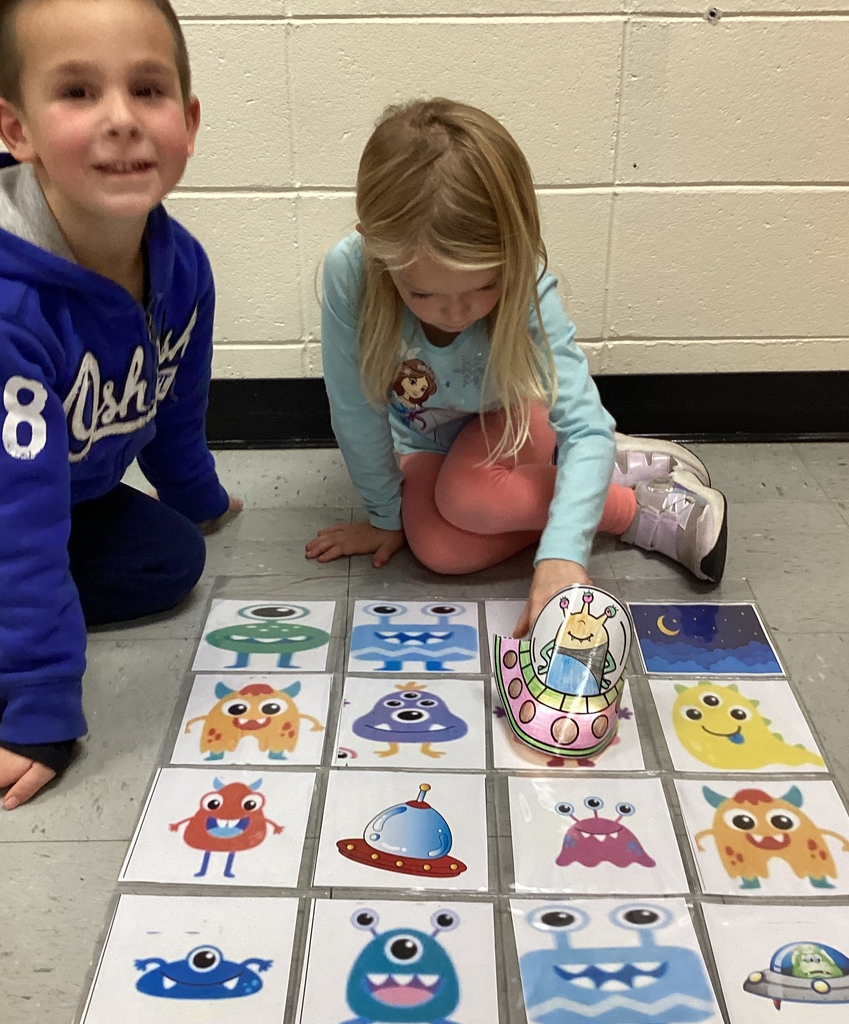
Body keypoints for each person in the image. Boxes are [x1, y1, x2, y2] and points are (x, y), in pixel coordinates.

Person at [0, 0, 242, 810]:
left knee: (170, 559)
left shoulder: (180, 264)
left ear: (188, 123)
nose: (121, 119)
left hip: (45, 493)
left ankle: (3, 624)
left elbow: (172, 399)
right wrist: (40, 713)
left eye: (148, 90)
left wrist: (199, 497)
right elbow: (3, 521)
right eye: (79, 92)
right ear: (15, 129)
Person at [305, 99, 726, 634]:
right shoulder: (351, 272)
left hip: (512, 419)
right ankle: (587, 476)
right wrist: (384, 517)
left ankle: (634, 509)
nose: (457, 314)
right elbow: (354, 409)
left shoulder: (524, 273)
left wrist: (564, 553)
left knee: (467, 496)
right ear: (376, 246)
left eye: (484, 286)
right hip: (425, 441)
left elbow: (584, 423)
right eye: (424, 293)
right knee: (438, 548)